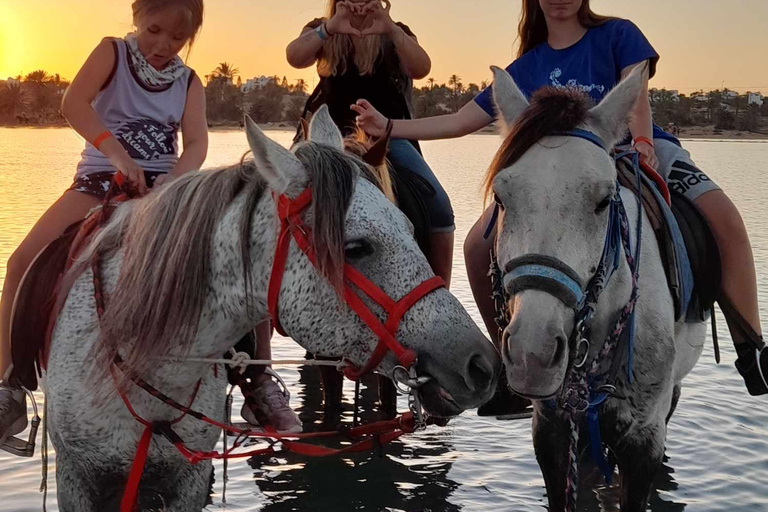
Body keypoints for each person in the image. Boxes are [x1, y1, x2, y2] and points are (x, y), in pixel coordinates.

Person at [354, 0, 768, 412]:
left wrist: (642, 143)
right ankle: (511, 363)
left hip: (634, 146)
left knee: (722, 214)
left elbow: (635, 93)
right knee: (476, 247)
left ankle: (751, 349)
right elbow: (462, 121)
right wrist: (388, 126)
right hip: (557, 174)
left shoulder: (618, 34)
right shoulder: (529, 66)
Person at [0, 0, 298, 450]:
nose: (164, 45)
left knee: (238, 258)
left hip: (165, 193)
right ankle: (9, 384)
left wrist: (173, 187)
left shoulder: (188, 81)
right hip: (99, 182)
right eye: (155, 30)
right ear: (137, 18)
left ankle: (257, 380)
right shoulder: (113, 53)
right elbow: (74, 104)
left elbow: (196, 142)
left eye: (178, 38)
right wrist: (118, 156)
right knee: (22, 262)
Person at [286, 0, 455, 286]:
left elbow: (421, 68)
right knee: (270, 198)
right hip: (325, 140)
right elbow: (295, 57)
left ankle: (441, 292)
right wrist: (329, 28)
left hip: (388, 138)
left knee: (438, 206)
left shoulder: (396, 32)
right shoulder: (320, 28)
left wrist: (390, 29)